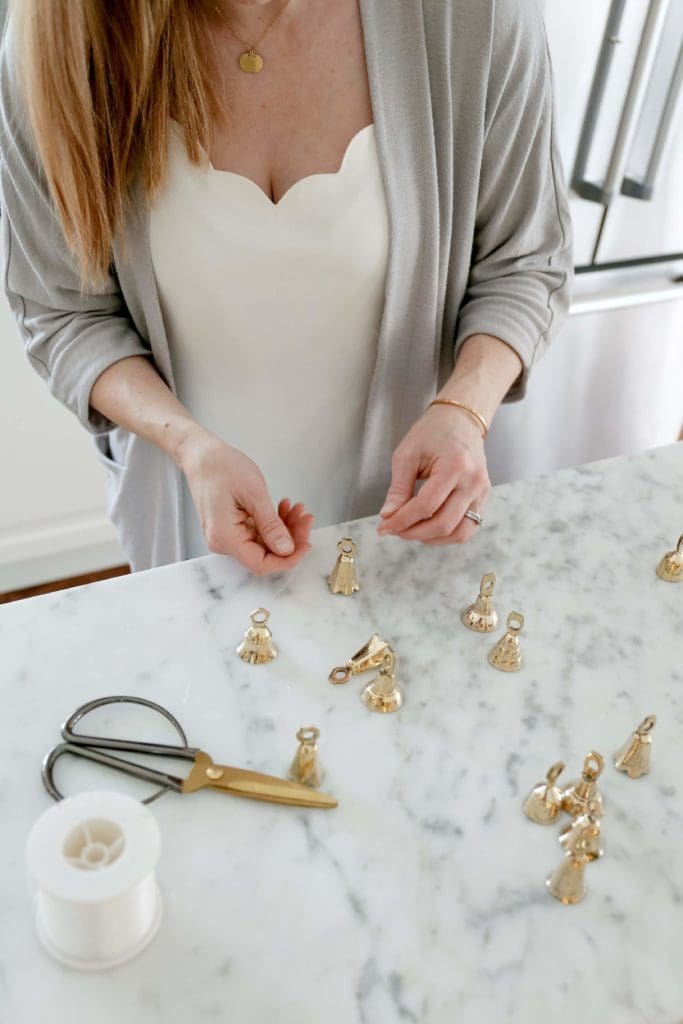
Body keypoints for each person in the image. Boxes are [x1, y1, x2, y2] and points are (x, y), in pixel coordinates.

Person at [0, 0, 573, 576]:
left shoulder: (474, 16)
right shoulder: (61, 39)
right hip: (185, 520)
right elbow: (64, 313)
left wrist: (462, 411)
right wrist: (190, 447)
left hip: (413, 525)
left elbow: (525, 264)